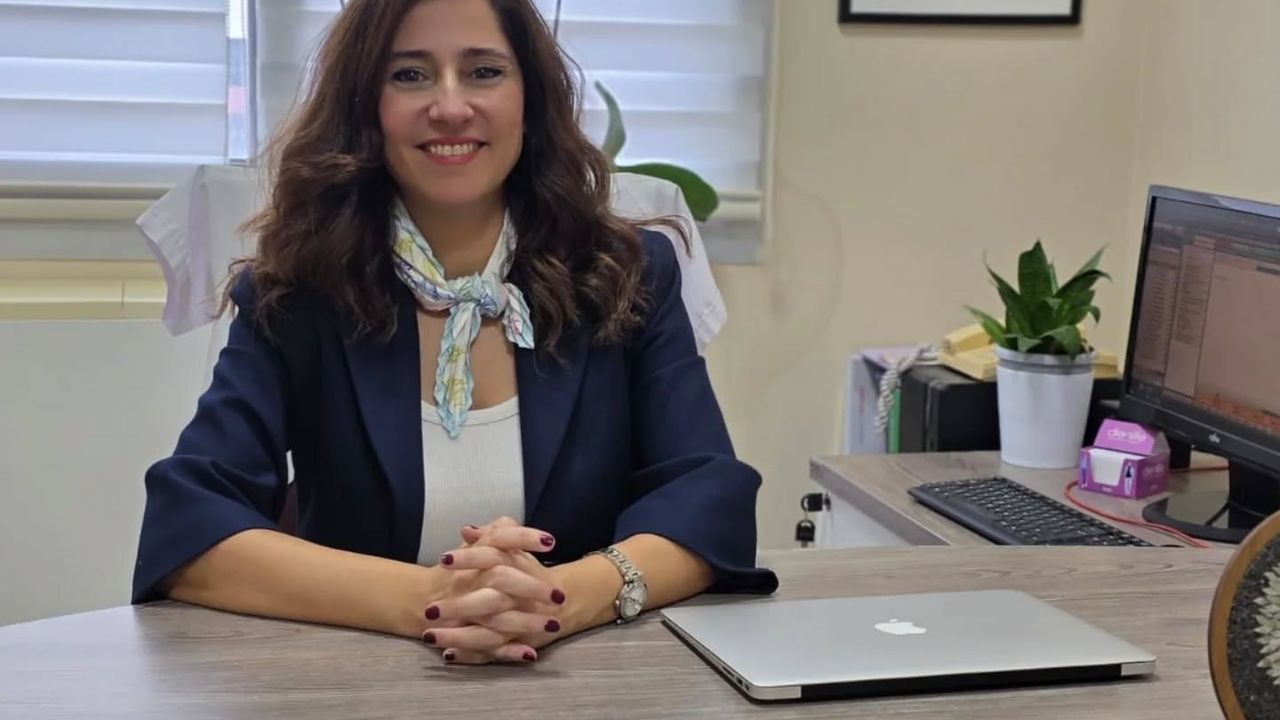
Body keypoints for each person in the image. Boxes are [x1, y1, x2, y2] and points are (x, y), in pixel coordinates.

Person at [132, 0, 777, 666]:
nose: (449, 107)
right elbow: (189, 527)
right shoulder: (299, 294)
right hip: (356, 687)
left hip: (587, 682)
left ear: (530, 97)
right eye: (409, 75)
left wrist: (563, 598)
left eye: (484, 72)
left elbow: (710, 499)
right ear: (366, 105)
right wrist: (432, 600)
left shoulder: (627, 275)